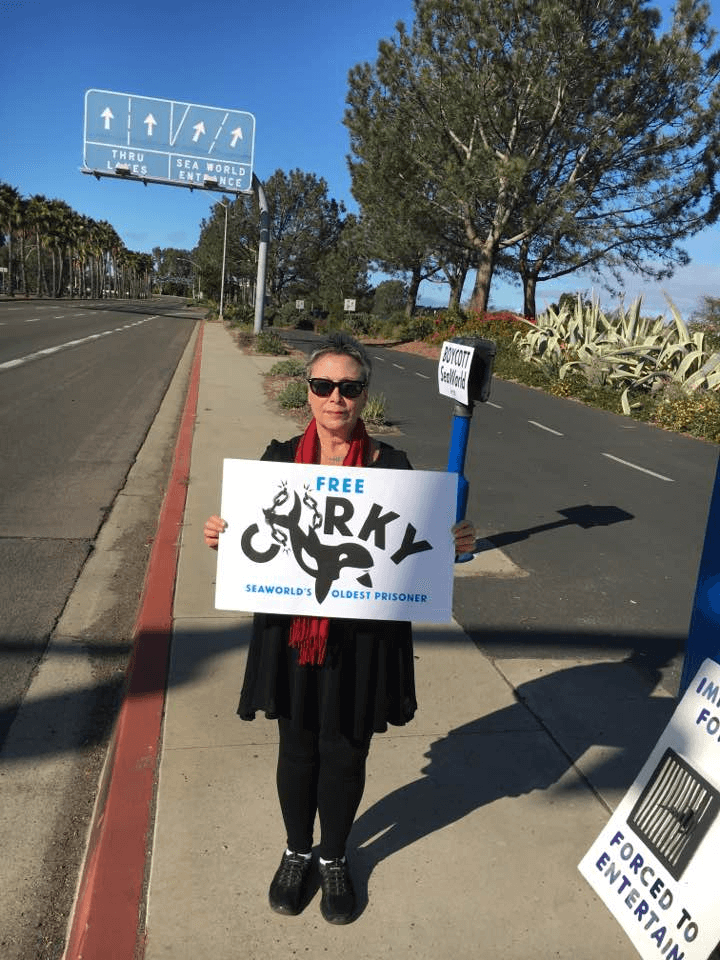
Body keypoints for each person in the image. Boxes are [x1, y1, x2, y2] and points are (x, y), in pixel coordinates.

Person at [203, 332, 475, 924]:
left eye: (349, 388)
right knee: (297, 747)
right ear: (308, 392)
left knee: (346, 750)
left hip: (362, 639)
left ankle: (333, 857)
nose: (335, 398)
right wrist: (223, 532)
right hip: (292, 630)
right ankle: (295, 850)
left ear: (364, 395)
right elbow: (254, 535)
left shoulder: (393, 469)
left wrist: (451, 544)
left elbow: (418, 546)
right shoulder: (277, 460)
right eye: (323, 386)